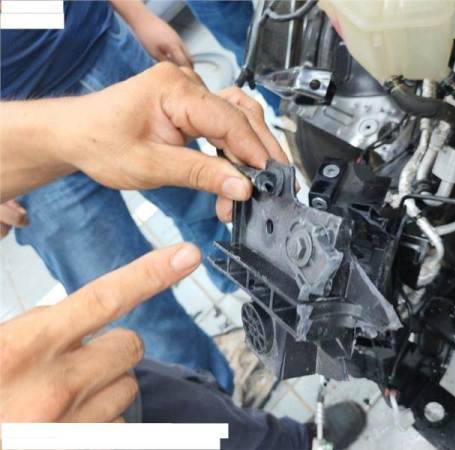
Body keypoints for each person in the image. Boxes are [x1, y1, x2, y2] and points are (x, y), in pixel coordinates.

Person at [0, 62, 367, 450]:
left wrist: (60, 133)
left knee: (158, 386)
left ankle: (283, 439)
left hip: (81, 58)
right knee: (132, 331)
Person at [0, 0, 273, 393]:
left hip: (97, 46)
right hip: (19, 145)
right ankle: (209, 397)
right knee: (127, 306)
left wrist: (136, 14)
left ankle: (268, 312)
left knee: (208, 201)